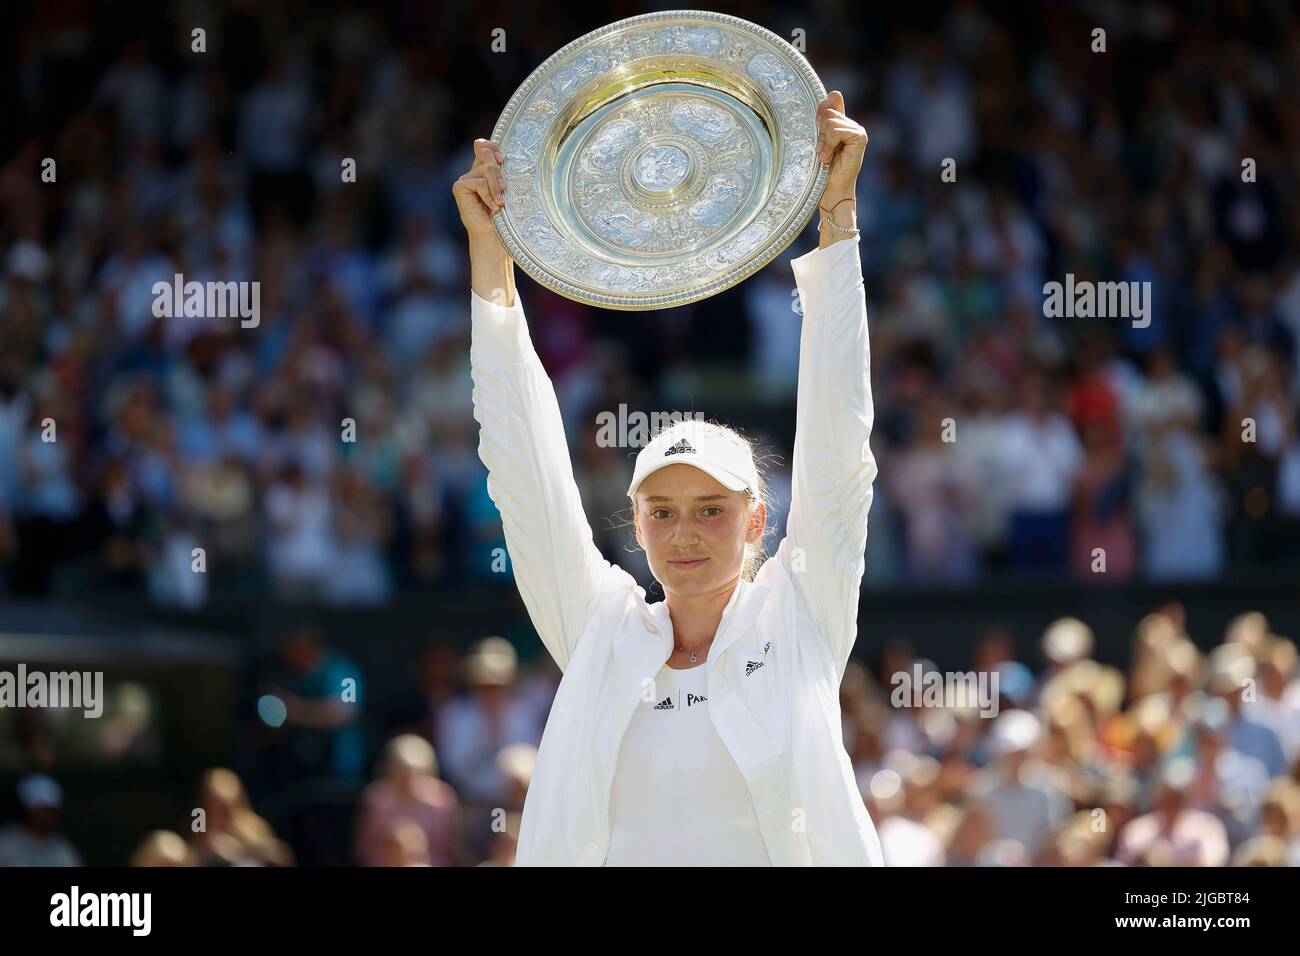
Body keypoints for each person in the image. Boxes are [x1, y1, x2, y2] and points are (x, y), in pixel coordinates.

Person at [453, 92, 883, 865]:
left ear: (758, 521)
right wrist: (492, 260)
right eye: (663, 511)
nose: (684, 533)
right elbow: (521, 463)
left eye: (712, 510)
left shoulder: (800, 614)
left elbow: (838, 445)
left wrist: (837, 219)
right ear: (638, 523)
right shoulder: (600, 629)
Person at [0, 774, 82, 867]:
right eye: (42, 809)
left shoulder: (63, 849)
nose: (47, 816)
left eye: (52, 810)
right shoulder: (6, 842)